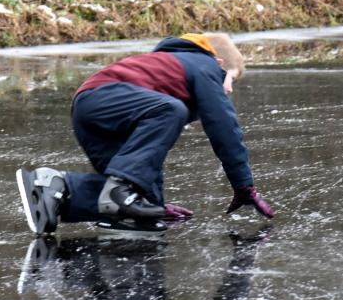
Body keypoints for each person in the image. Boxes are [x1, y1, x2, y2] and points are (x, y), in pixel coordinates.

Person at [16, 32, 274, 234]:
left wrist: (157, 205)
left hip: (97, 111)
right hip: (103, 99)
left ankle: (58, 191)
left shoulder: (171, 70)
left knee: (142, 208)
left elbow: (148, 151)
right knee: (172, 110)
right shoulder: (204, 65)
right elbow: (224, 127)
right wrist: (243, 185)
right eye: (230, 79)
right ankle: (110, 190)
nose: (229, 89)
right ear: (218, 62)